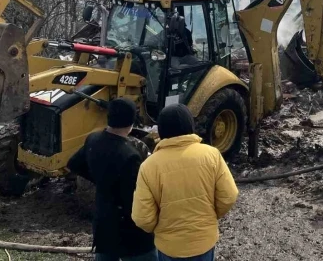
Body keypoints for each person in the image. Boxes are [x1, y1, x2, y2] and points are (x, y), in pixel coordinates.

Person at [132, 104, 238, 261]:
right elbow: (229, 196)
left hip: (169, 247)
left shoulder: (149, 166)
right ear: (191, 126)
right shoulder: (211, 155)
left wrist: (162, 230)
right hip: (203, 242)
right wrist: (209, 217)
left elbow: (142, 218)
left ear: (161, 130)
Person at [67, 99, 156, 261]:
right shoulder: (130, 155)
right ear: (131, 122)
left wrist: (101, 179)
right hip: (129, 234)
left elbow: (73, 163)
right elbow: (133, 200)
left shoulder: (93, 139)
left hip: (103, 224)